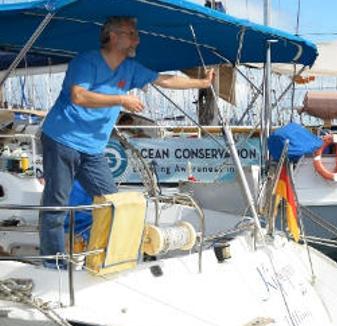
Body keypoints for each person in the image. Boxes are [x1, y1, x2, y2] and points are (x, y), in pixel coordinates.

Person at [39, 16, 214, 264]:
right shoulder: (87, 61)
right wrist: (121, 100)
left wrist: (202, 83)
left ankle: (111, 255)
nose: (137, 39)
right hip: (62, 139)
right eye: (132, 34)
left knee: (115, 203)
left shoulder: (130, 69)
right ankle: (52, 261)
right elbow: (78, 96)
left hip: (93, 148)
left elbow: (164, 80)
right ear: (113, 36)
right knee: (56, 203)